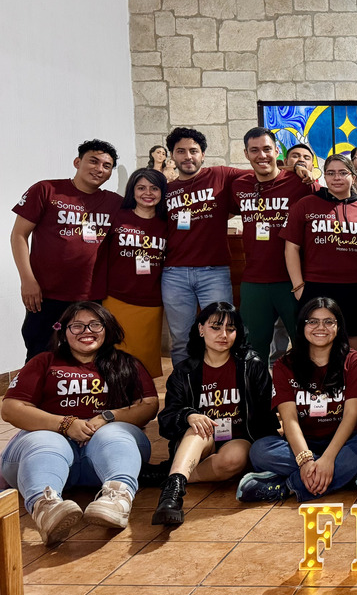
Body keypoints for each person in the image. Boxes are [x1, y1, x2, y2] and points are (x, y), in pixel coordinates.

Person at [1, 302, 158, 544]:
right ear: (63, 331)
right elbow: (11, 409)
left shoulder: (126, 363)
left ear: (108, 329)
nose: (87, 331)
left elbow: (148, 405)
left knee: (113, 434)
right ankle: (46, 507)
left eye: (95, 324)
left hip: (102, 457)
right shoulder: (44, 361)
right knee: (47, 439)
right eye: (77, 326)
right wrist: (65, 424)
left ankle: (117, 498)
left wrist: (107, 417)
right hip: (45, 452)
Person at [239, 298, 357, 502]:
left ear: (338, 326)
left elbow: (351, 416)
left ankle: (286, 487)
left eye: (328, 322)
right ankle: (349, 475)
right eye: (312, 321)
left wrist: (329, 459)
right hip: (303, 444)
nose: (320, 328)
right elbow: (289, 420)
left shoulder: (354, 361)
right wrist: (306, 460)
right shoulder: (284, 364)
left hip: (344, 442)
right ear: (302, 326)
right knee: (260, 451)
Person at [152, 302, 273, 525]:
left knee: (234, 458)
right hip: (200, 440)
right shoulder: (184, 371)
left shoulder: (251, 366)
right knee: (199, 428)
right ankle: (172, 497)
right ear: (201, 329)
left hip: (238, 438)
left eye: (231, 328)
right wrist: (189, 415)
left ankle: (171, 475)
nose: (223, 335)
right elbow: (166, 420)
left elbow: (267, 413)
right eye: (216, 327)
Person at [12, 139, 122, 360]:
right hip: (45, 294)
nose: (99, 169)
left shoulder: (115, 203)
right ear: (77, 162)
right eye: (93, 161)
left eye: (106, 166)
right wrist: (27, 280)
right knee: (41, 354)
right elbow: (18, 235)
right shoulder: (46, 190)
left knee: (87, 356)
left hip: (91, 296)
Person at [162, 127, 249, 365]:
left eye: (193, 151)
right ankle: (184, 390)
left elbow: (262, 173)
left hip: (214, 272)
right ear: (173, 156)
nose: (187, 156)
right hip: (174, 273)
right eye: (181, 151)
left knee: (221, 332)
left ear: (203, 155)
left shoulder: (221, 175)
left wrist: (294, 168)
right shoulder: (165, 190)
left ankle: (219, 386)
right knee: (181, 338)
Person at [230, 127, 313, 362]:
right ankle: (257, 395)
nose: (262, 155)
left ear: (277, 150)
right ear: (246, 154)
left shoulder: (300, 182)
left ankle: (305, 394)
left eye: (267, 149)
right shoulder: (239, 184)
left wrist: (298, 167)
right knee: (253, 349)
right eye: (254, 150)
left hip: (293, 280)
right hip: (254, 281)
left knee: (304, 342)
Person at [283, 154, 357, 354]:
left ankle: (352, 383)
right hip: (317, 286)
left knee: (352, 348)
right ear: (324, 176)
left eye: (343, 173)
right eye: (331, 173)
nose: (337, 178)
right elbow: (291, 247)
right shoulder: (306, 204)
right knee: (317, 344)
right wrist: (299, 286)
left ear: (352, 176)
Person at [102, 168, 168, 379]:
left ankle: (141, 405)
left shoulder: (167, 223)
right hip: (115, 298)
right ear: (132, 190)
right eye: (141, 188)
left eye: (154, 188)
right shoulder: (117, 217)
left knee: (143, 364)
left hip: (150, 302)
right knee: (113, 357)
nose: (147, 193)